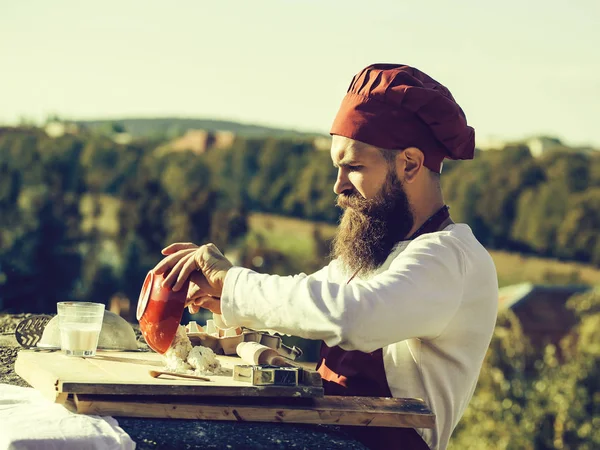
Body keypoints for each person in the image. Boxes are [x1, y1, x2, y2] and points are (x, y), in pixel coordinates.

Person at [153, 64, 499, 450]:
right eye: (338, 167)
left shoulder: (449, 257)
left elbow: (352, 315)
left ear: (410, 164)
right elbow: (310, 294)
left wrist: (233, 283)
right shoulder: (379, 251)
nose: (338, 186)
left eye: (353, 167)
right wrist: (224, 299)